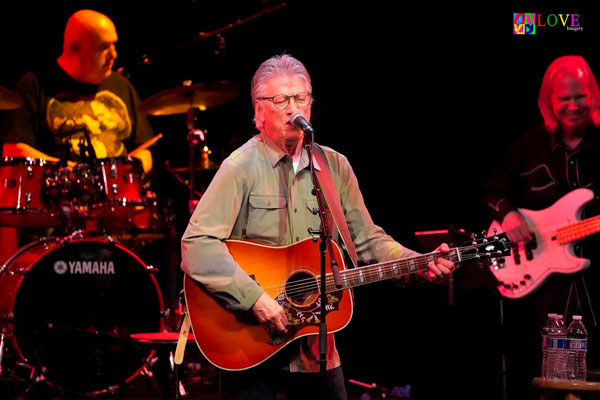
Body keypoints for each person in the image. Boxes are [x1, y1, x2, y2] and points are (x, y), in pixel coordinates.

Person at [181, 54, 456, 400]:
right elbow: (197, 244)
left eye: (300, 98)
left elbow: (366, 240)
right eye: (280, 100)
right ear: (259, 110)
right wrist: (255, 301)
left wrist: (419, 262)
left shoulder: (334, 166)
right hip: (250, 347)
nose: (292, 108)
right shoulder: (240, 167)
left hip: (316, 348)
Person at [481, 55, 600, 399]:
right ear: (549, 102)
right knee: (543, 381)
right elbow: (491, 191)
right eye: (564, 98)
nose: (573, 106)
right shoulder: (531, 144)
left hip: (593, 286)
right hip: (543, 297)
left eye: (581, 96)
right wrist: (509, 215)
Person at [0, 9, 154, 172]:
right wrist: (78, 172)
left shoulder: (122, 85)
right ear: (75, 48)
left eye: (114, 45)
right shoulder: (34, 84)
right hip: (58, 193)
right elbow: (14, 150)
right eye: (103, 47)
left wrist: (132, 170)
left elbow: (145, 149)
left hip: (116, 192)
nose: (114, 54)